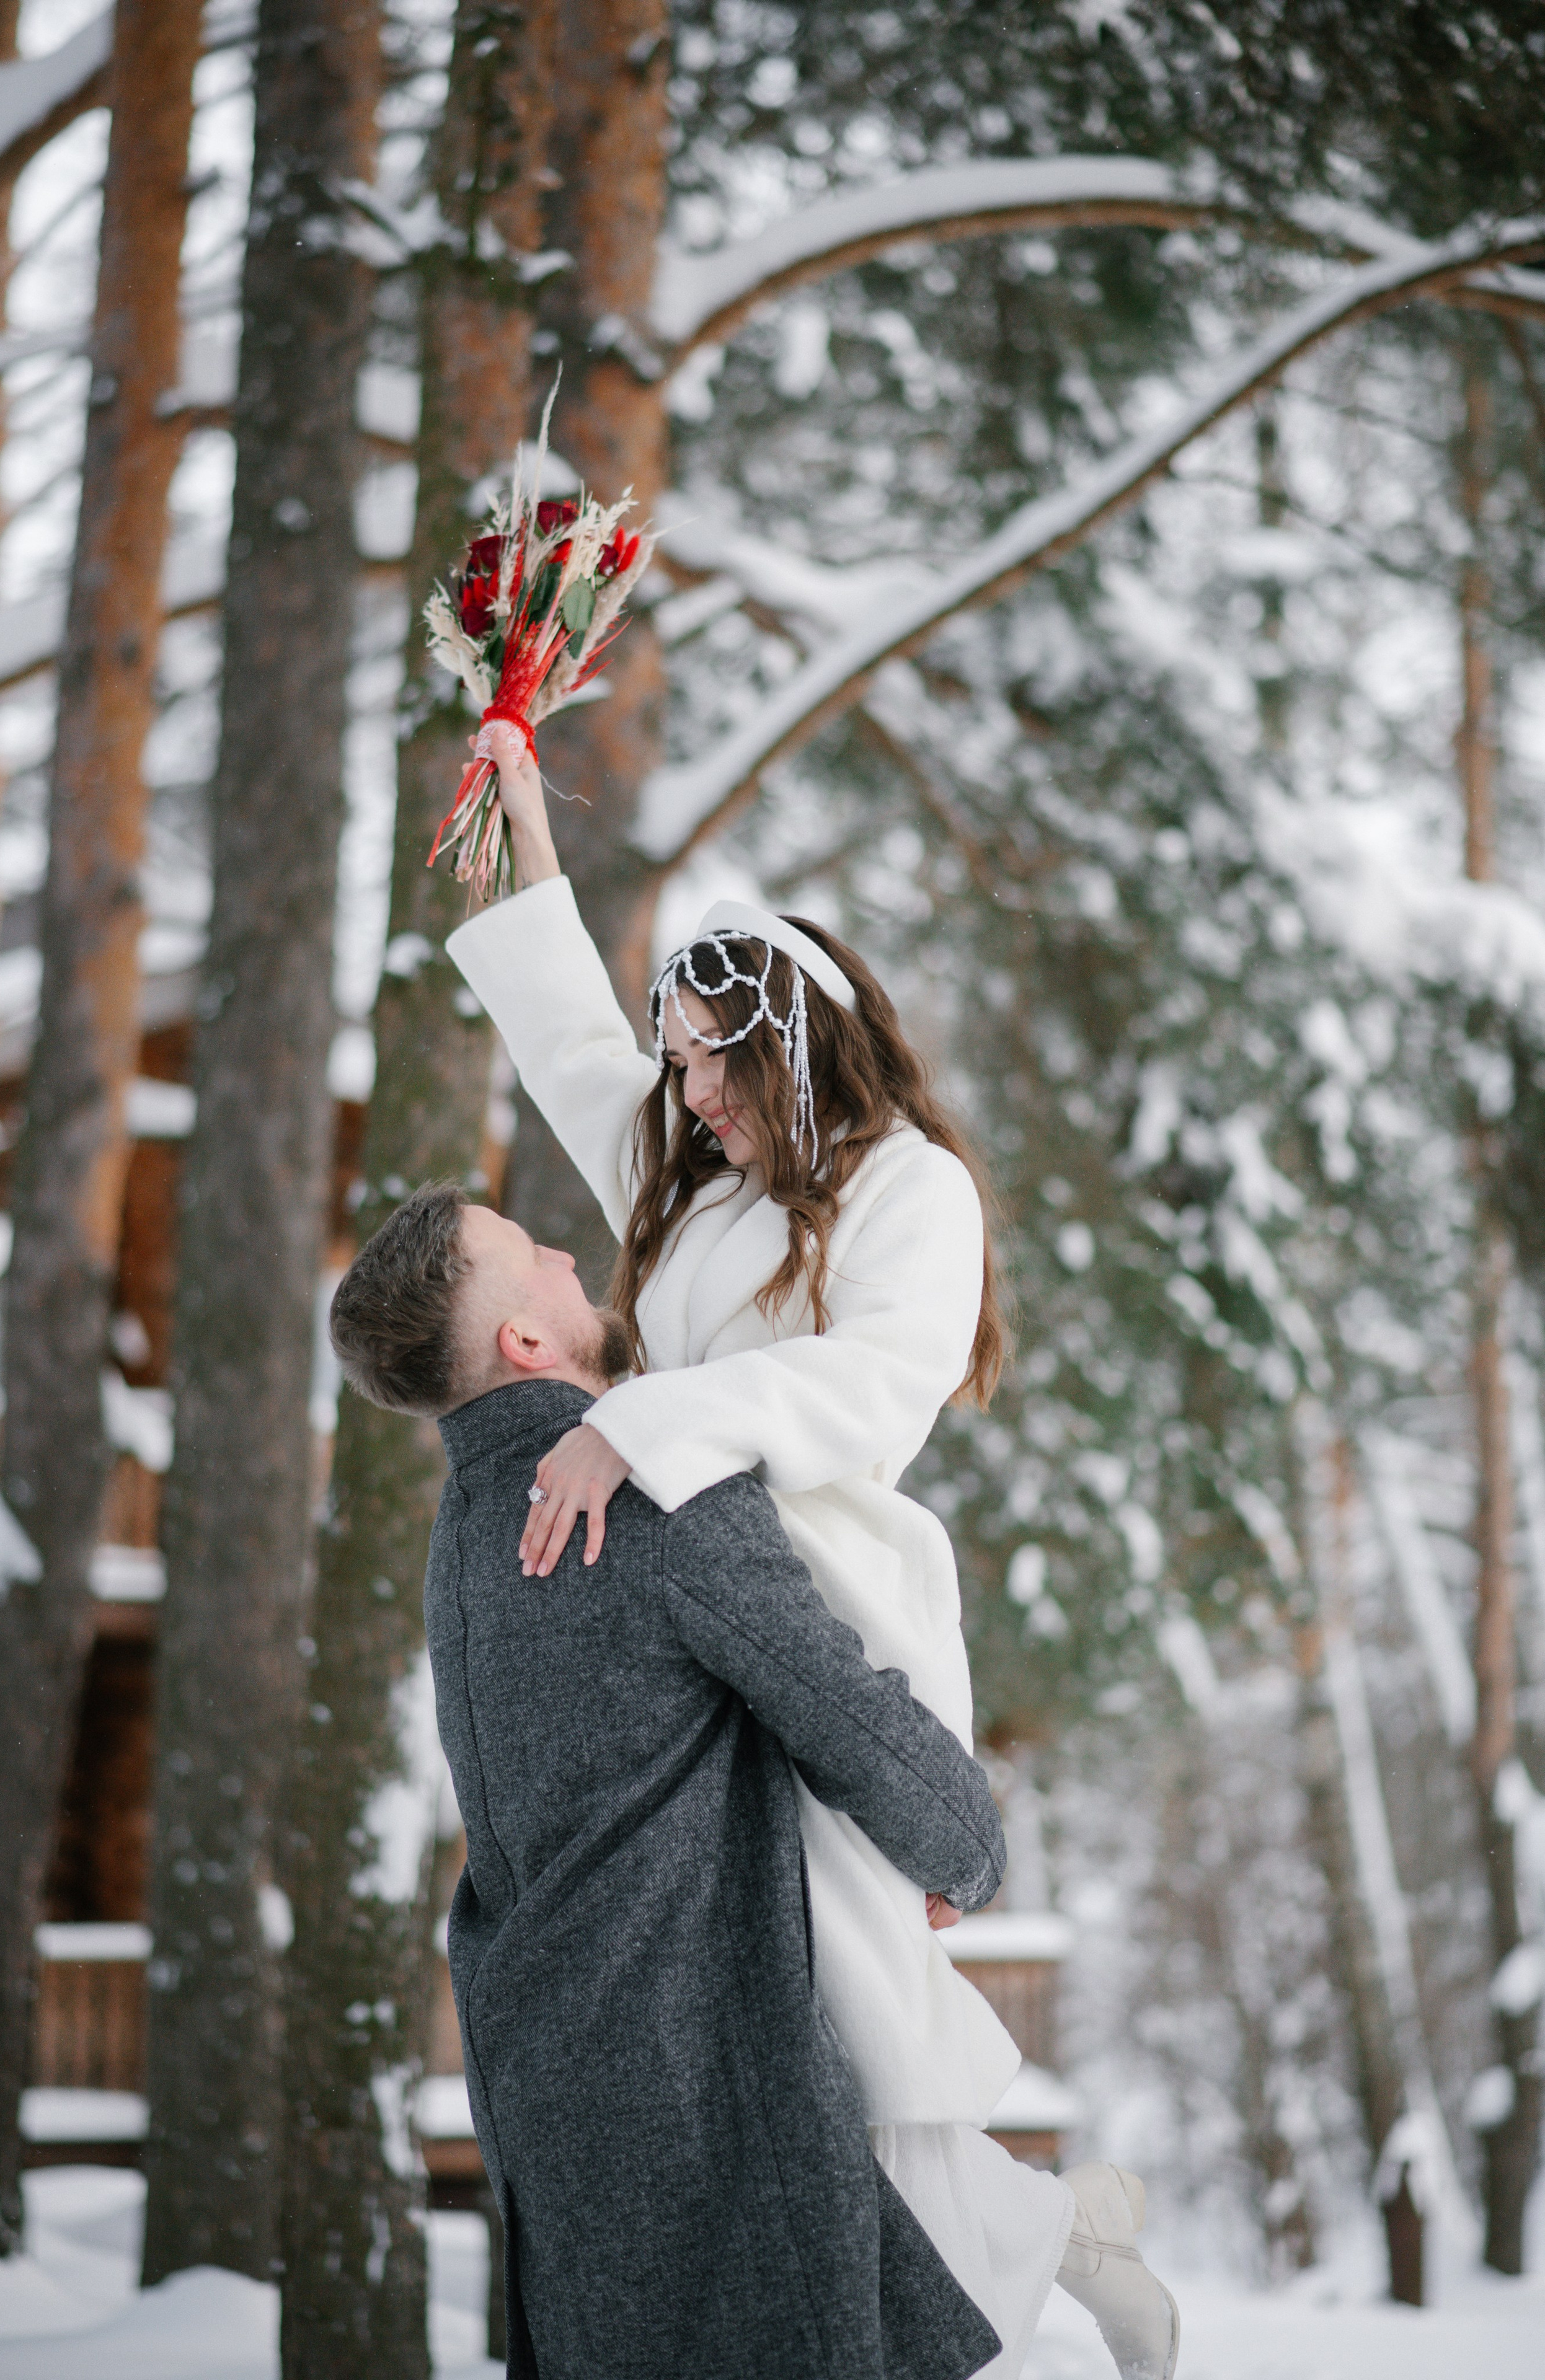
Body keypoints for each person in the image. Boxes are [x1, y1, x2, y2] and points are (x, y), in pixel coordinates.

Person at [440, 728, 1179, 2380]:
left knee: (843, 2001)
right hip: (696, 1625)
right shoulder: (697, 1190)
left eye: (715, 1061)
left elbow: (874, 1383)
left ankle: (1039, 2246)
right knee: (783, 2022)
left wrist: (647, 1426)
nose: (689, 1097)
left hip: (833, 1604)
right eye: (680, 1066)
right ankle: (1034, 2238)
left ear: (795, 1040)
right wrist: (524, 824)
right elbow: (565, 1040)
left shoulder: (914, 1187)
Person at [328, 1181, 1008, 2380]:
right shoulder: (647, 1491)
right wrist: (968, 1846)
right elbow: (841, 1708)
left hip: (554, 2093)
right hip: (698, 2096)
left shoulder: (470, 1519)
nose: (559, 1249)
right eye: (526, 1253)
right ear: (523, 1342)